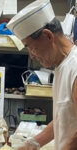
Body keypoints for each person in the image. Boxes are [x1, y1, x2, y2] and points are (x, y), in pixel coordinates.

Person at [7, 0, 77, 150]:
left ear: (48, 36)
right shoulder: (61, 66)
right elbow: (63, 119)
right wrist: (33, 143)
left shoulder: (75, 67)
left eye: (31, 47)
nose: (32, 56)